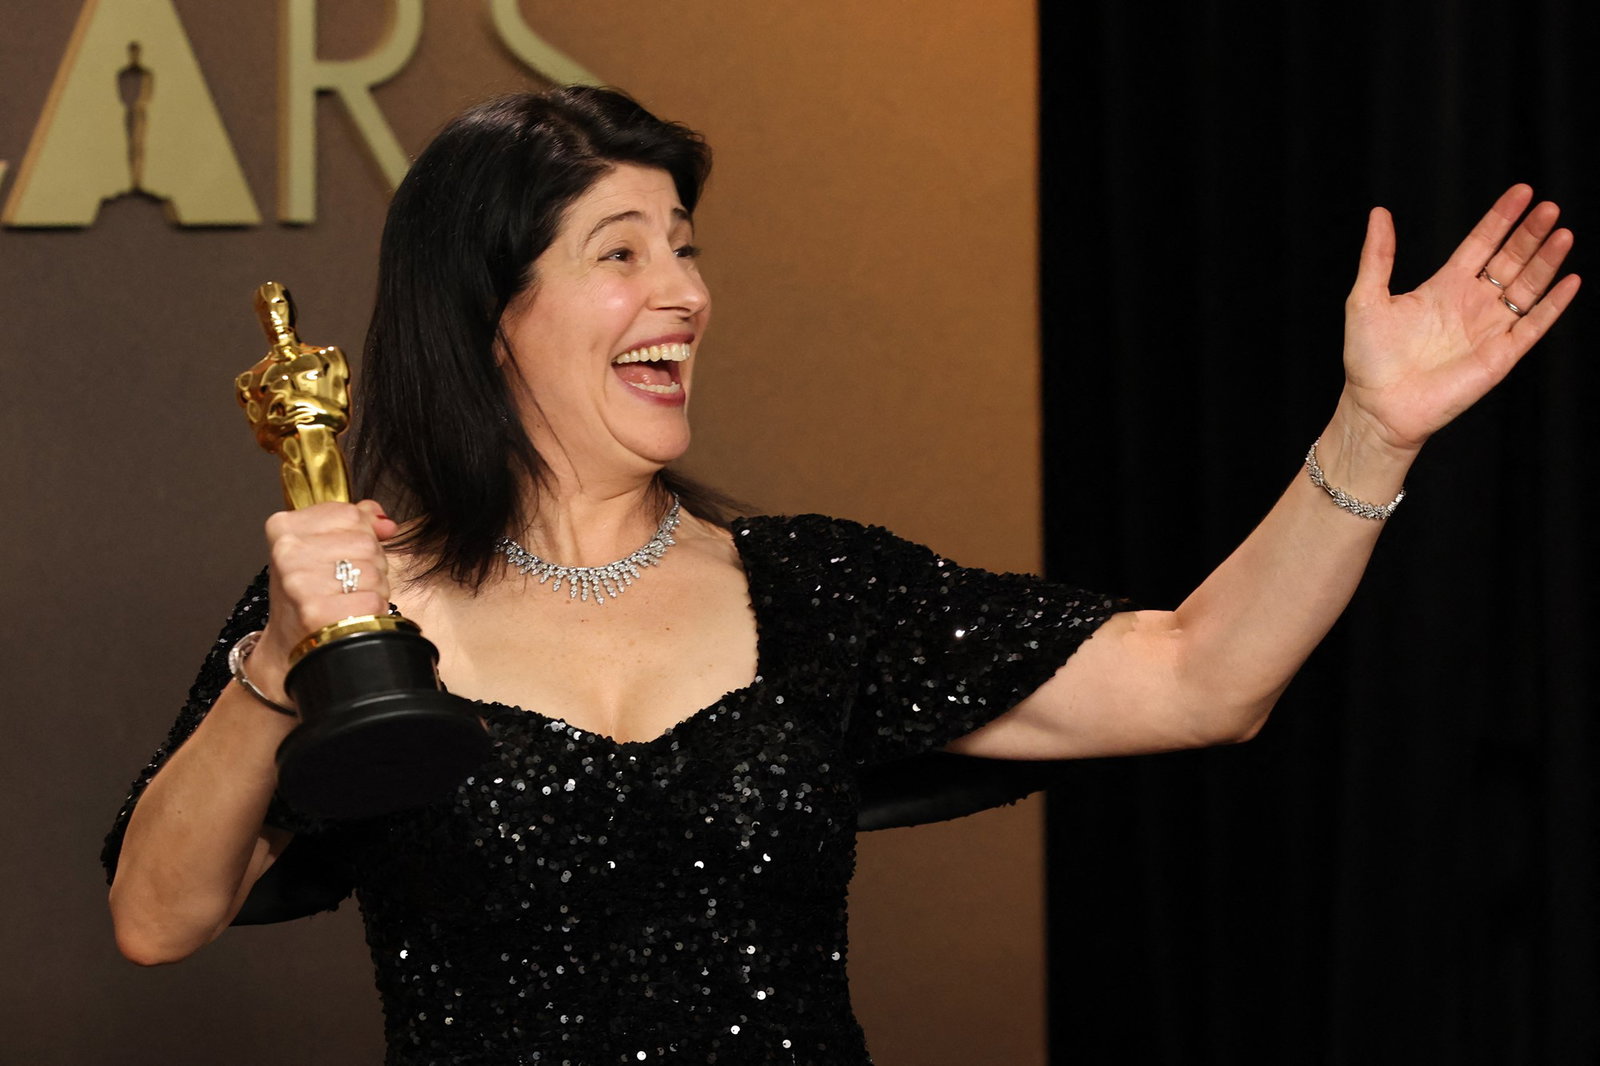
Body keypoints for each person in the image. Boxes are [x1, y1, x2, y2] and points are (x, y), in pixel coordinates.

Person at [102, 86, 1578, 1065]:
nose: (684, 288)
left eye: (685, 246)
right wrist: (277, 666)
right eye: (622, 253)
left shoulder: (815, 594)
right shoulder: (362, 605)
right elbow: (157, 917)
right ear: (492, 314)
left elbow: (1206, 677)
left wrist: (1371, 430)